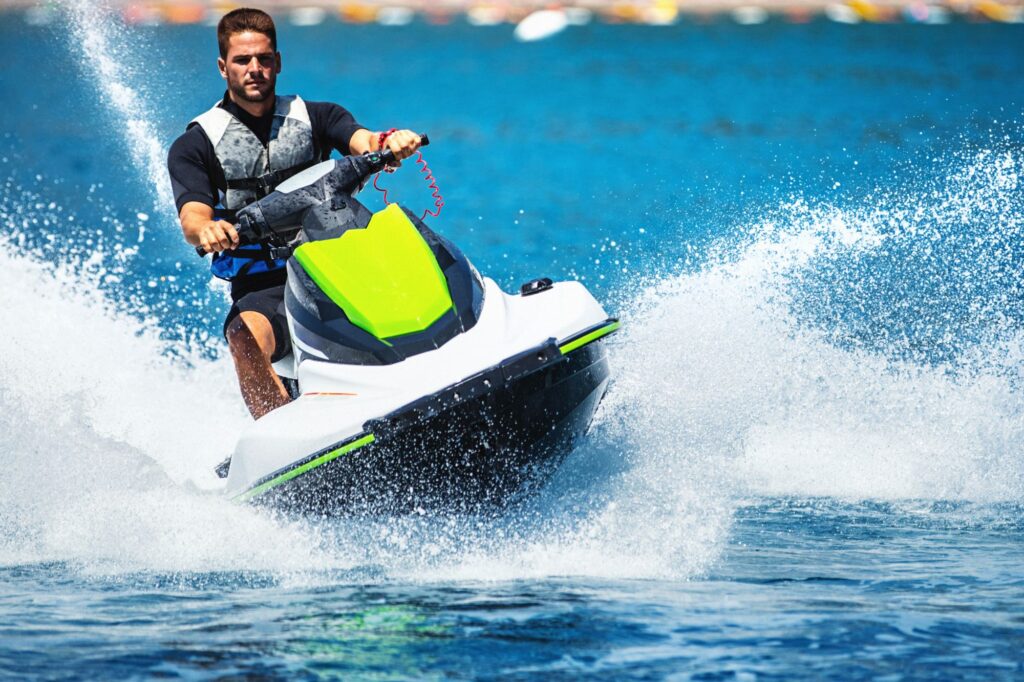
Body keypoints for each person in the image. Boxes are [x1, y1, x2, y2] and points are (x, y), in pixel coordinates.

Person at [167, 8, 422, 419]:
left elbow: (364, 140)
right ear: (223, 66)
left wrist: (391, 142)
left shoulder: (317, 117)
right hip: (265, 284)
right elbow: (192, 217)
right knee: (244, 338)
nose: (255, 69)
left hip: (336, 259)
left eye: (264, 59)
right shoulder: (196, 145)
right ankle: (283, 436)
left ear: (278, 62)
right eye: (242, 60)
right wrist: (208, 230)